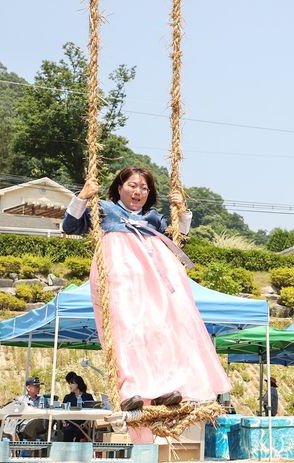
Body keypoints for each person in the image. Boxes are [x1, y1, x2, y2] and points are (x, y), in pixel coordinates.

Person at [62, 167, 232, 442]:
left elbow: (179, 239)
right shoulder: (104, 210)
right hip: (120, 281)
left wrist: (182, 209)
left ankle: (166, 386)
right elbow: (69, 226)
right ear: (119, 187)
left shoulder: (153, 218)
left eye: (144, 188)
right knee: (127, 334)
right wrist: (83, 196)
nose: (138, 192)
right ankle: (133, 390)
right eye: (132, 185)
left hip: (152, 283)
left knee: (161, 332)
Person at [60, 375, 95, 442]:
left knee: (80, 432)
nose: (70, 385)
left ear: (78, 384)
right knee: (68, 431)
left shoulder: (88, 397)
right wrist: (63, 422)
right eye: (69, 383)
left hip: (83, 423)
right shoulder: (68, 397)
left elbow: (92, 411)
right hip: (70, 423)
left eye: (72, 383)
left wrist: (85, 423)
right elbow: (62, 410)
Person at [17, 376, 49, 441]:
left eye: (39, 386)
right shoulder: (21, 400)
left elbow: (50, 412)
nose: (39, 388)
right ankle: (31, 445)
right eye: (36, 386)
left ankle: (28, 445)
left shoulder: (43, 400)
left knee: (35, 420)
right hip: (24, 424)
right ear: (28, 388)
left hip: (39, 425)